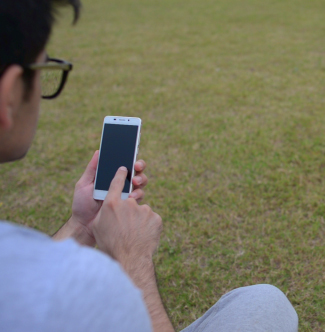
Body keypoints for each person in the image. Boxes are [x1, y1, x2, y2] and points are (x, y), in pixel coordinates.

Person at [0, 1, 299, 331]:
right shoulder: (80, 288)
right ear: (10, 93)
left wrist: (82, 226)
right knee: (267, 307)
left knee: (263, 303)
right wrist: (133, 256)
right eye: (44, 70)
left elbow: (21, 279)